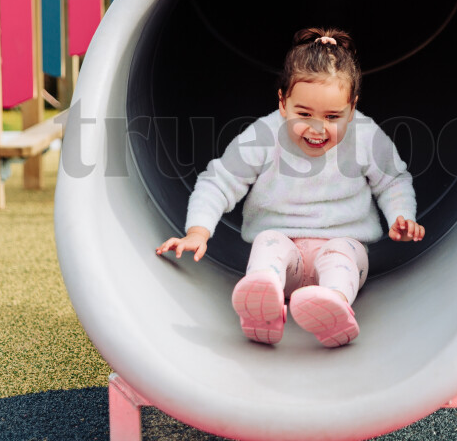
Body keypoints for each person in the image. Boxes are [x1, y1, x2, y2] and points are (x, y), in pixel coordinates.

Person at [156, 27, 424, 347]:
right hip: (285, 262)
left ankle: (333, 305)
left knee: (342, 256)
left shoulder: (365, 136)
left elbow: (393, 180)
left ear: (352, 107)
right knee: (269, 241)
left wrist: (401, 216)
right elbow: (219, 181)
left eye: (333, 116)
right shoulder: (264, 135)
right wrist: (197, 232)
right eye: (304, 113)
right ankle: (263, 301)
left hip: (344, 247)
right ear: (283, 102)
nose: (317, 127)